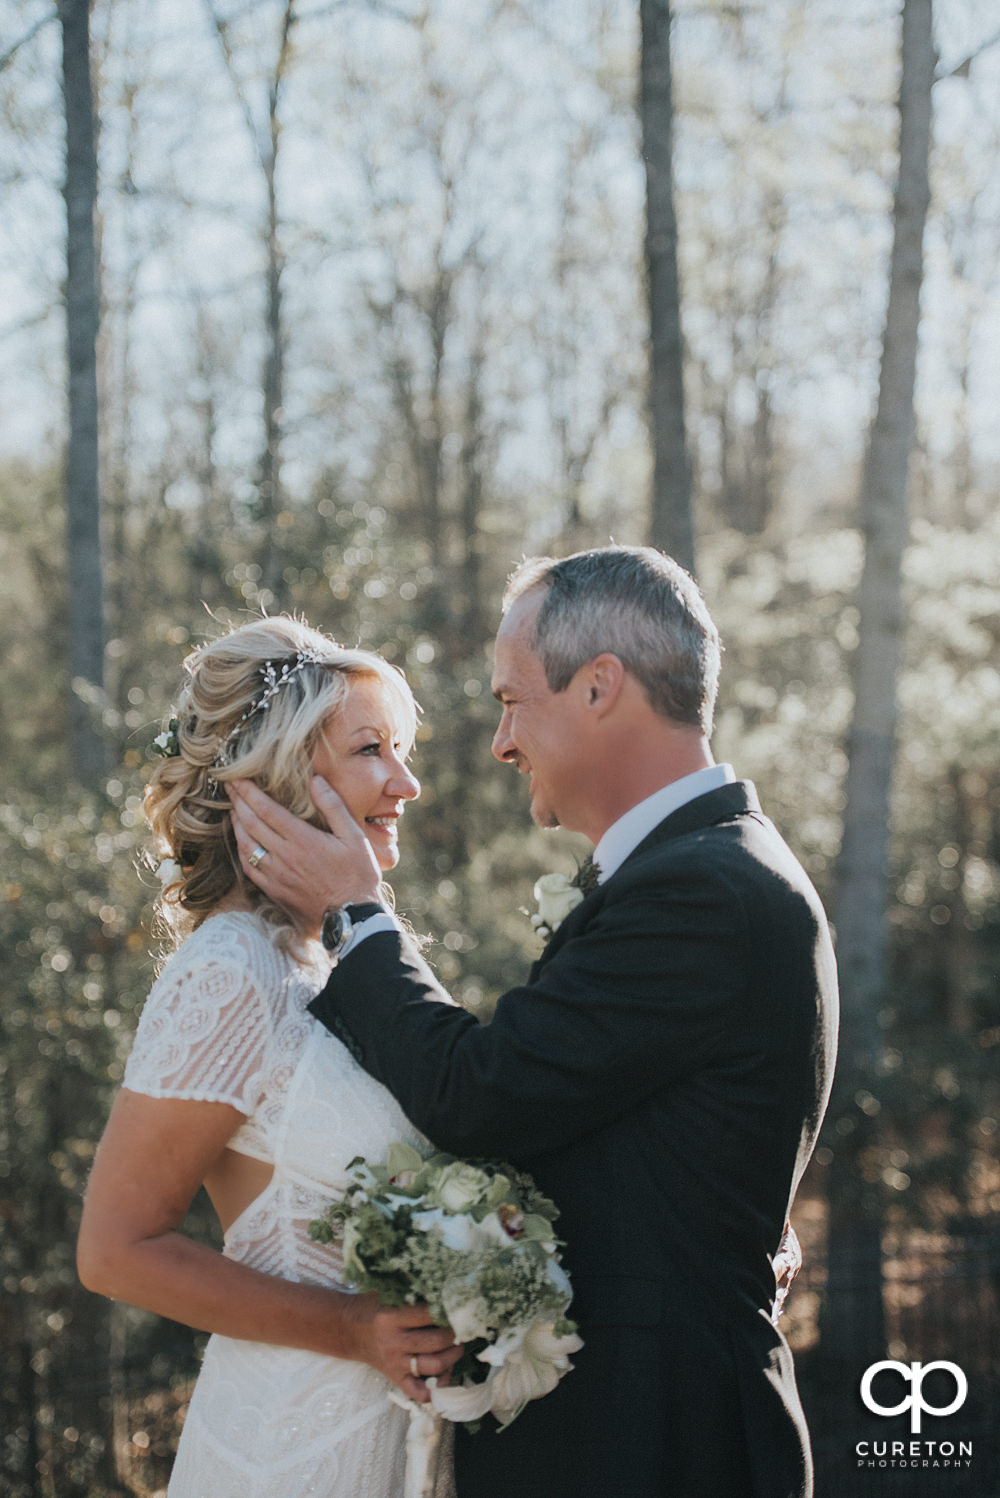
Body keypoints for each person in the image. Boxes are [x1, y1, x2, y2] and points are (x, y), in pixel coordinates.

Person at [228, 545, 839, 1498]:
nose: (502, 741)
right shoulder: (700, 872)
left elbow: (484, 1096)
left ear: (600, 687)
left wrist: (358, 914)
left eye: (514, 702)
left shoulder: (701, 892)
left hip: (660, 1445)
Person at [76, 616, 463, 1498]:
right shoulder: (230, 967)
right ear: (283, 775)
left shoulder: (335, 958)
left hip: (403, 1440)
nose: (406, 783)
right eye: (373, 750)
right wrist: (354, 1330)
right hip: (289, 1449)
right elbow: (113, 1249)